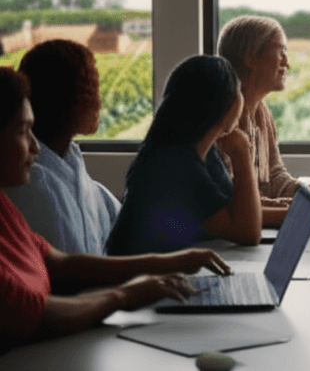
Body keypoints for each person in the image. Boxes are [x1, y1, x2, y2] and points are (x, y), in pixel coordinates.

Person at [0, 67, 231, 354]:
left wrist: (170, 262)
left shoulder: (5, 209)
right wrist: (124, 295)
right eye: (22, 131)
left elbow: (62, 263)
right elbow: (38, 314)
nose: (35, 147)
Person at [216, 15, 310, 228]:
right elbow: (234, 202)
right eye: (281, 52)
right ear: (250, 58)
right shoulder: (222, 121)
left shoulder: (261, 112)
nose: (287, 63)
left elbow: (274, 178)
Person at [105, 55, 262, 255]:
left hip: (168, 268)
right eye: (237, 91)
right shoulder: (173, 165)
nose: (241, 97)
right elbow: (247, 232)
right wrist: (243, 154)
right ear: (219, 104)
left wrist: (290, 214)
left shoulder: (204, 152)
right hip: (137, 274)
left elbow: (236, 211)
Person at [4, 40, 120, 255]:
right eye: (88, 88)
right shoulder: (31, 187)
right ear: (58, 96)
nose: (97, 100)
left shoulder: (80, 177)